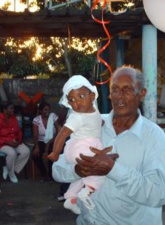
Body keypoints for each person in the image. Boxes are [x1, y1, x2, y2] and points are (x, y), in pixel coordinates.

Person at [52, 65, 165, 225]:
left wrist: (113, 169)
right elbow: (57, 169)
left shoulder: (153, 136)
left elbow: (159, 194)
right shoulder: (92, 124)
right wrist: (78, 170)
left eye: (127, 89)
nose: (118, 96)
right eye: (115, 89)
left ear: (142, 94)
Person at [48, 75, 104, 215]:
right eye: (72, 100)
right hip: (82, 148)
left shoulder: (93, 111)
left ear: (92, 96)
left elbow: (96, 121)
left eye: (81, 96)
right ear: (68, 103)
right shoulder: (77, 117)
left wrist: (100, 123)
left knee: (81, 176)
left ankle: (70, 198)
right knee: (101, 168)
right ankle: (88, 191)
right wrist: (55, 152)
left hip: (81, 147)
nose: (77, 102)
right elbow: (62, 134)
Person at [0, 101, 30, 183]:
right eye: (11, 108)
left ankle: (9, 169)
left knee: (26, 151)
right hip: (1, 143)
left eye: (13, 108)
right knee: (12, 153)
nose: (13, 110)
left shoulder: (13, 118)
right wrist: (7, 142)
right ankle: (11, 174)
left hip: (14, 141)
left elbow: (19, 131)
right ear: (4, 110)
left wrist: (18, 140)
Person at [32, 101, 60, 182]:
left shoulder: (53, 116)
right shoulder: (36, 120)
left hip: (53, 139)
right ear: (40, 111)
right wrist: (36, 147)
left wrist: (48, 144)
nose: (47, 112)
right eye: (45, 110)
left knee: (52, 153)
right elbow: (35, 135)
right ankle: (44, 173)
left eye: (48, 110)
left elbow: (58, 131)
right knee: (35, 155)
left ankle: (52, 175)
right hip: (41, 140)